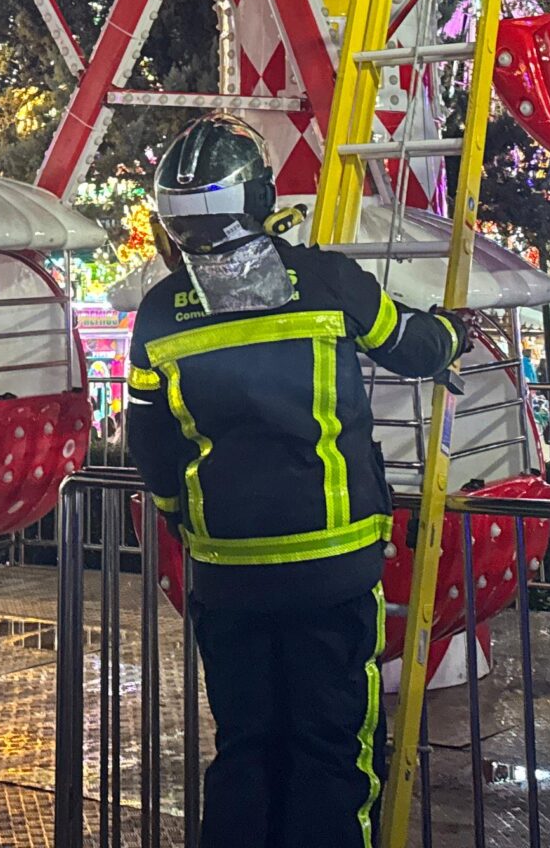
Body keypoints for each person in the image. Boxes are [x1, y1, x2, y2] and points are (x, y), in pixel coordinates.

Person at [125, 113, 465, 848]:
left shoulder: (157, 313)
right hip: (331, 567)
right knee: (332, 749)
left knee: (245, 746)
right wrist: (455, 333)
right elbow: (414, 349)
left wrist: (181, 513)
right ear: (258, 195)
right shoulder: (326, 279)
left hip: (227, 574)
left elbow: (149, 445)